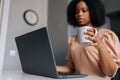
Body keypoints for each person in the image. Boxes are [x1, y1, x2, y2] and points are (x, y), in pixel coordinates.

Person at [56, 0, 120, 79]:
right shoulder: (72, 40)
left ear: (93, 11)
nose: (79, 14)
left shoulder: (107, 35)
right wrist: (52, 67)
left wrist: (101, 47)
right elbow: (70, 68)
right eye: (76, 12)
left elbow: (110, 72)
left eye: (84, 10)